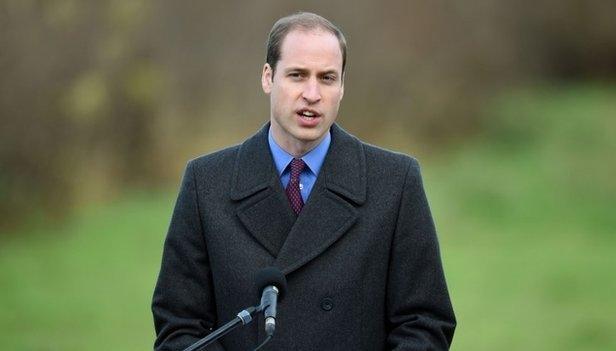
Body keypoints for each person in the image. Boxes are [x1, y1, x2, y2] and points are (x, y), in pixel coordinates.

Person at [152, 12, 456, 351]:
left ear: (342, 86)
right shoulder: (206, 184)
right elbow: (178, 328)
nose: (312, 93)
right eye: (297, 75)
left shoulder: (395, 183)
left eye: (327, 78)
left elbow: (425, 325)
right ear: (268, 77)